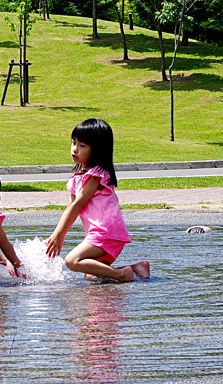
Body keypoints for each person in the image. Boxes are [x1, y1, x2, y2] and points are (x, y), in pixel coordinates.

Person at [45, 118, 150, 283]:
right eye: (73, 143)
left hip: (105, 232)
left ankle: (122, 274)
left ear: (98, 150)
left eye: (82, 146)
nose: (75, 149)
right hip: (103, 233)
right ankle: (137, 267)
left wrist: (59, 234)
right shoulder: (76, 179)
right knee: (91, 275)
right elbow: (71, 209)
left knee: (72, 261)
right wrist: (59, 236)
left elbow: (78, 204)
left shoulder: (97, 173)